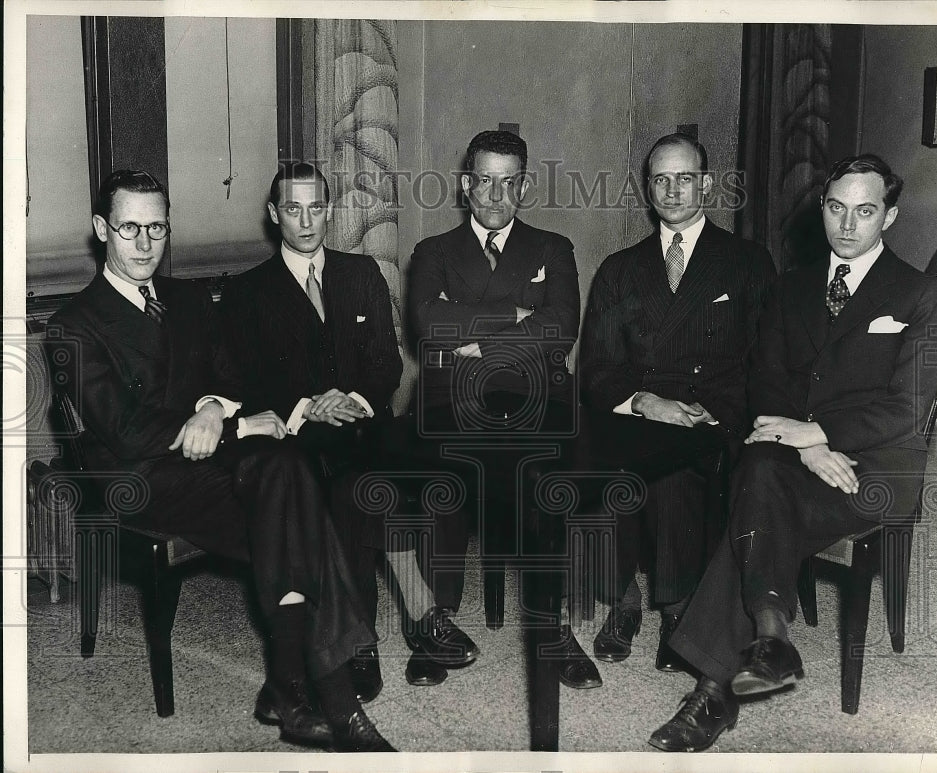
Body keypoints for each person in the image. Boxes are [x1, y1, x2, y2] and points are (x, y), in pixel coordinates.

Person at [47, 170, 395, 753]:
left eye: (156, 227)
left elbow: (229, 378)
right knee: (294, 513)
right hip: (138, 479)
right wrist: (227, 424)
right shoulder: (73, 323)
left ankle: (297, 691)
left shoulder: (186, 299)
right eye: (129, 227)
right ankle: (325, 699)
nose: (144, 243)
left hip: (207, 464)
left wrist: (212, 405)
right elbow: (126, 432)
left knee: (289, 473)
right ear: (101, 229)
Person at [648, 154, 937, 752]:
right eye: (836, 208)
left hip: (878, 470)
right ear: (823, 208)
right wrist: (805, 444)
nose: (847, 224)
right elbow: (765, 381)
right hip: (795, 456)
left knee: (757, 488)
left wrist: (815, 434)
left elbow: (905, 410)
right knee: (761, 470)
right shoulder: (792, 285)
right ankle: (760, 644)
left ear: (887, 217)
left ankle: (738, 667)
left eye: (865, 212)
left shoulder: (920, 295)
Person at [221, 163, 472, 694]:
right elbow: (240, 379)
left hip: (363, 423)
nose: (306, 221)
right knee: (357, 488)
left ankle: (423, 620)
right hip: (299, 438)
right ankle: (406, 626)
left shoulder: (361, 274)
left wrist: (351, 398)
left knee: (443, 462)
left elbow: (385, 362)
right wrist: (307, 406)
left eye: (316, 208)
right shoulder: (247, 292)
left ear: (330, 210)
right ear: (274, 215)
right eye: (293, 209)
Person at [580, 133, 775, 671]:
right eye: (660, 179)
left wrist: (718, 412)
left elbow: (768, 361)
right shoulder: (620, 269)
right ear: (647, 188)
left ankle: (677, 606)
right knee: (599, 462)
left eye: (684, 178)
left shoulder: (747, 262)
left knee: (674, 468)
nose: (672, 190)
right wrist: (643, 399)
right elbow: (596, 367)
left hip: (710, 415)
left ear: (706, 184)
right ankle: (621, 599)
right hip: (641, 408)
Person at [407, 130, 587, 685]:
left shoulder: (554, 247)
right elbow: (428, 328)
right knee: (444, 475)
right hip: (452, 394)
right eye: (484, 180)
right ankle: (435, 623)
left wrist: (483, 338)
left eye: (509, 183)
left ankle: (552, 624)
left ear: (524, 187)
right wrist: (515, 311)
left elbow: (563, 328)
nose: (495, 194)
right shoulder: (432, 251)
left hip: (535, 393)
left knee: (550, 474)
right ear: (466, 185)